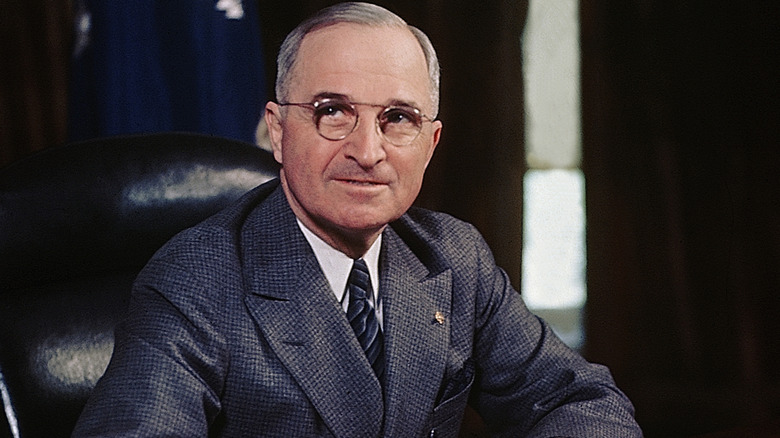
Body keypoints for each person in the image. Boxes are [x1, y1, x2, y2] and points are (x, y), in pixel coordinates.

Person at [73, 2, 642, 437]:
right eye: (332, 112)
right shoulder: (195, 282)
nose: (368, 151)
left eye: (397, 118)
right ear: (277, 129)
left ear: (430, 142)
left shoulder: (453, 257)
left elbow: (582, 404)